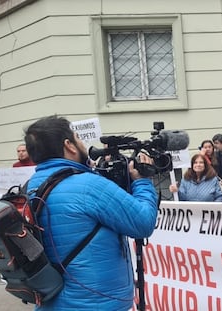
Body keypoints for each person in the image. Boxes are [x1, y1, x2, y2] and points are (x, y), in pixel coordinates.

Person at [24, 115, 158, 310]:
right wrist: (142, 181)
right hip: (96, 303)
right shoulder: (89, 186)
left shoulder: (29, 187)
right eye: (78, 138)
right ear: (69, 145)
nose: (83, 143)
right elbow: (143, 223)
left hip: (50, 301)